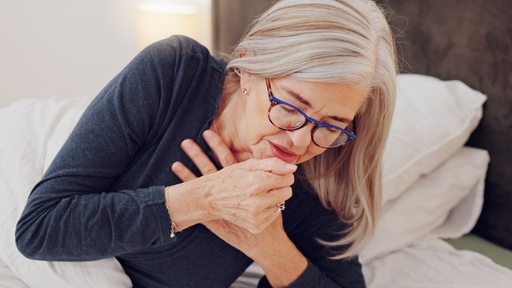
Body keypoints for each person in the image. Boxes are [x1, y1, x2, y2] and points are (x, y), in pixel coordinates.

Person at [15, 0, 397, 287]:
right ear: (247, 65)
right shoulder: (174, 73)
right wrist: (203, 199)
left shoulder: (320, 171)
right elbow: (40, 229)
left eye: (332, 124)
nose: (301, 141)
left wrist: (267, 243)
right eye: (291, 106)